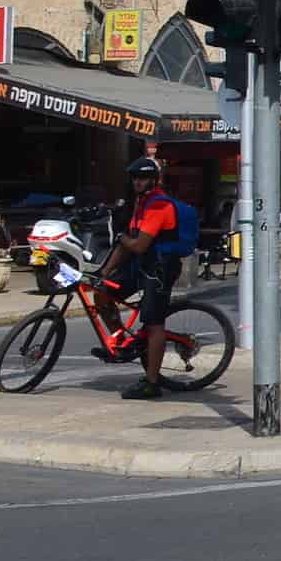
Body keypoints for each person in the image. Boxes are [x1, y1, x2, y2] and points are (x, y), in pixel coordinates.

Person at [93, 157, 194, 400]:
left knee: (153, 324)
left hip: (160, 270)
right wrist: (103, 273)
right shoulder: (142, 204)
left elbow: (137, 245)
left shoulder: (160, 207)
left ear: (154, 179)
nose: (138, 182)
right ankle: (121, 344)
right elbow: (126, 243)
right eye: (135, 178)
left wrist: (121, 238)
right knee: (101, 294)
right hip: (142, 266)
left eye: (143, 178)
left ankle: (151, 383)